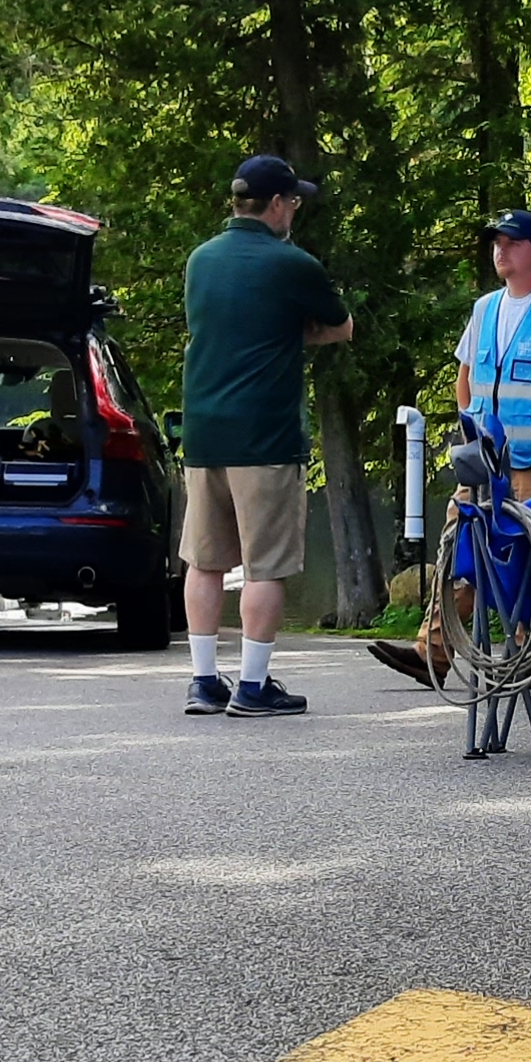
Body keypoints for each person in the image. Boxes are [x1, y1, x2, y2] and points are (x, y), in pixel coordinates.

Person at [373, 209, 531, 686]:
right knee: (460, 547)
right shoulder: (484, 309)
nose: (501, 250)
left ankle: (527, 656)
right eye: (497, 242)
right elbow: (465, 376)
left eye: (512, 242)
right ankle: (432, 654)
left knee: (528, 563)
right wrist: (471, 424)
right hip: (484, 464)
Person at [175, 152, 353, 716]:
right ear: (277, 205)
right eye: (293, 201)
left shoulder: (200, 261)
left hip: (203, 433)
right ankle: (252, 686)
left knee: (203, 562)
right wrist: (290, 335)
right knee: (265, 564)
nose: (293, 211)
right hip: (266, 436)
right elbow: (341, 326)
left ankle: (204, 681)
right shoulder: (292, 263)